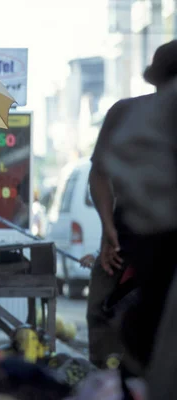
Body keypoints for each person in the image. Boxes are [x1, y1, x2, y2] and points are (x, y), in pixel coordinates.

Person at [87, 40, 177, 372]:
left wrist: (110, 230)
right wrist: (109, 229)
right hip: (130, 235)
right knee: (108, 313)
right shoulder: (128, 112)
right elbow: (99, 173)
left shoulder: (129, 112)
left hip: (136, 236)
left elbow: (99, 173)